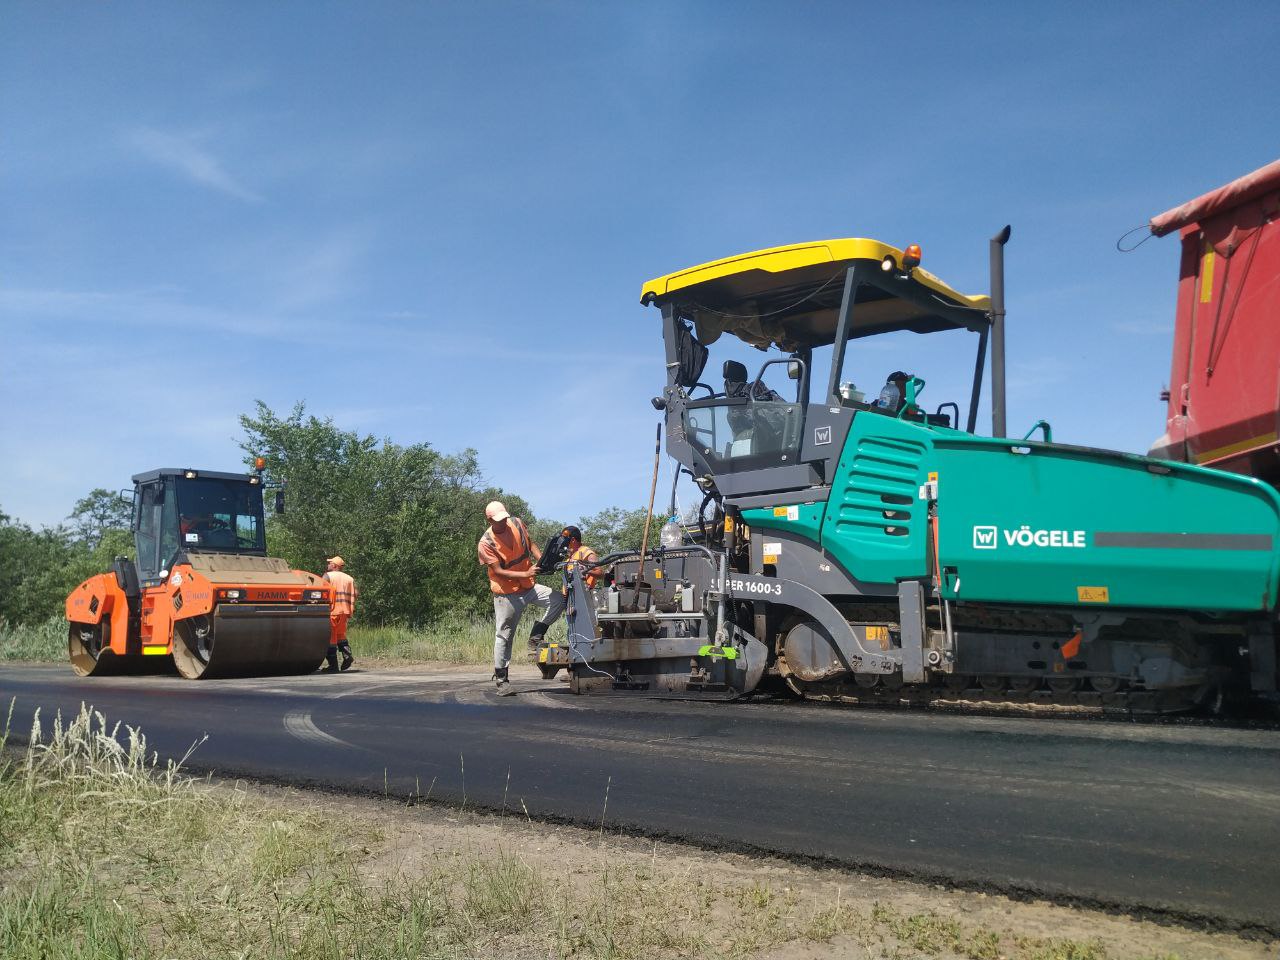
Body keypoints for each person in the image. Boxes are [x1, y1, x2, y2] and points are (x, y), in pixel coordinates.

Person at [477, 500, 549, 696]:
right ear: (489, 519)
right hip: (506, 593)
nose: (504, 522)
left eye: (505, 518)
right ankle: (502, 680)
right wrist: (526, 574)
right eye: (499, 520)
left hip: (528, 587)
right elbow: (499, 572)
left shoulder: (516, 523)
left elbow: (531, 543)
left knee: (558, 600)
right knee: (504, 636)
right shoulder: (486, 543)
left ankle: (536, 634)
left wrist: (543, 561)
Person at [527, 525, 600, 660]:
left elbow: (600, 572)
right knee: (573, 633)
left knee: (586, 632)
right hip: (571, 599)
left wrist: (583, 568)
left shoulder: (586, 552)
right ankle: (574, 667)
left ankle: (587, 663)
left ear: (572, 540)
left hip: (585, 598)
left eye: (565, 538)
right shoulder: (569, 556)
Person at [322, 556, 358, 672]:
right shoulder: (349, 578)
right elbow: (356, 593)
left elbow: (320, 591)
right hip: (344, 612)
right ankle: (347, 655)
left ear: (334, 566)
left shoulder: (327, 576)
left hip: (332, 611)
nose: (328, 565)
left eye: (330, 563)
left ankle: (333, 666)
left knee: (330, 639)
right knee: (340, 636)